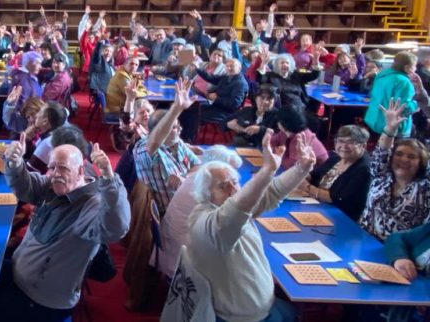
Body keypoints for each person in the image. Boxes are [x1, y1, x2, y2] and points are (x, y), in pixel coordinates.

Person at [0, 135, 130, 322]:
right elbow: (26, 186)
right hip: (21, 274)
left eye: (63, 168)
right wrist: (15, 163)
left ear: (81, 171)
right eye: (52, 167)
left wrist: (108, 178)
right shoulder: (55, 185)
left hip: (41, 301)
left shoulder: (92, 204)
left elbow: (115, 228)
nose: (55, 173)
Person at [188, 130, 316, 322]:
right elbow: (237, 207)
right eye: (223, 186)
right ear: (206, 194)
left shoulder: (228, 210)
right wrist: (267, 171)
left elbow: (271, 193)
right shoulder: (207, 223)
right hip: (238, 318)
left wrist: (302, 168)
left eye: (235, 182)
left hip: (264, 307)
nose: (233, 190)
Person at [159, 146, 242, 279]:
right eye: (228, 171)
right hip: (185, 257)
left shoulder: (200, 177)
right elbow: (232, 216)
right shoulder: (208, 189)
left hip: (174, 243)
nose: (232, 173)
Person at [360, 99, 430, 241]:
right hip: (364, 239)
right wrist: (390, 128)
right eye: (399, 154)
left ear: (421, 162)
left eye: (411, 157)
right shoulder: (381, 176)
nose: (404, 160)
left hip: (400, 252)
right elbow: (382, 151)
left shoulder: (425, 187)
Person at [133, 79, 201, 211]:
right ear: (162, 130)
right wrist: (176, 108)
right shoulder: (143, 148)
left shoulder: (177, 143)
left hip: (189, 202)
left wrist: (185, 179)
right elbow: (153, 142)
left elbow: (197, 165)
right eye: (175, 127)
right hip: (172, 213)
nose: (180, 130)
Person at [292, 125, 372, 221]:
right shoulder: (335, 157)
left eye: (350, 142)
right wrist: (303, 170)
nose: (343, 146)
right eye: (340, 141)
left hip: (341, 217)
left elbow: (339, 199)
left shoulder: (365, 169)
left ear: (363, 146)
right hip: (316, 206)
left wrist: (307, 188)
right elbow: (313, 176)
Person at [364, 51, 419, 138]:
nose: (416, 68)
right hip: (392, 126)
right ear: (407, 67)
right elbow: (403, 107)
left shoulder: (381, 76)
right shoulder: (404, 82)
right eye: (415, 65)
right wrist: (416, 104)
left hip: (373, 121)